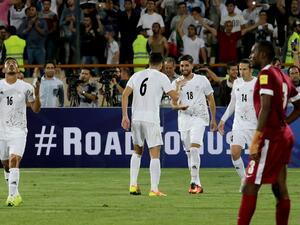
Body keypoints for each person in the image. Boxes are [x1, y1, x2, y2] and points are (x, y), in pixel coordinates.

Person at [237, 41, 300, 225]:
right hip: (283, 135)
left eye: (253, 52)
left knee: (249, 186)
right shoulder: (283, 75)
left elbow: (265, 107)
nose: (250, 56)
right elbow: (298, 106)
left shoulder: (265, 73)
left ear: (263, 54)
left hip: (271, 137)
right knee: (279, 187)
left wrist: (256, 139)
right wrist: (284, 123)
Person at [121, 53, 178, 196]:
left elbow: (124, 95)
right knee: (155, 154)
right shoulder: (162, 77)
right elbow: (174, 96)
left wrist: (124, 116)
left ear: (149, 62)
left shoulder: (136, 75)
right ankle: (154, 189)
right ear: (161, 64)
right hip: (151, 119)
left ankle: (133, 185)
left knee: (137, 151)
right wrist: (179, 86)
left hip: (136, 119)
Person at [173, 54, 217, 194]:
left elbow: (211, 99)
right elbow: (174, 105)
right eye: (182, 65)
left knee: (194, 149)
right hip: (184, 119)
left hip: (199, 117)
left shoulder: (202, 80)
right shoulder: (176, 82)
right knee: (188, 153)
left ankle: (193, 183)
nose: (184, 68)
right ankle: (197, 183)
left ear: (192, 66)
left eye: (186, 65)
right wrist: (179, 89)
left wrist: (213, 119)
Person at [0, 57, 41, 206]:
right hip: (1, 132)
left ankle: (11, 196)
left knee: (14, 160)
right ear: (4, 69)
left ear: (18, 69)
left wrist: (37, 91)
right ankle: (16, 193)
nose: (11, 65)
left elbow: (36, 109)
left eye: (14, 64)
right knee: (5, 165)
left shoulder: (26, 87)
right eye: (8, 64)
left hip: (18, 130)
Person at [218, 59, 257, 191]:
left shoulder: (257, 83)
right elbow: (233, 103)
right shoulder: (237, 83)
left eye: (244, 69)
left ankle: (255, 181)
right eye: (240, 69)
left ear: (251, 69)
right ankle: (244, 180)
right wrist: (223, 120)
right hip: (239, 125)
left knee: (256, 157)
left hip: (254, 125)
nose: (241, 72)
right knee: (234, 153)